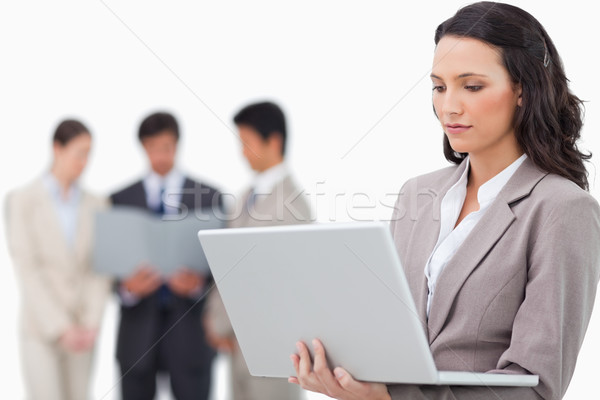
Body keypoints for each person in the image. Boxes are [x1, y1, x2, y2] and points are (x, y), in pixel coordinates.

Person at [289, 2, 600, 400]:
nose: (448, 106)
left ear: (523, 90)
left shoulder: (561, 209)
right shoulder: (415, 195)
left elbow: (535, 391)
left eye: (472, 86)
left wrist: (390, 398)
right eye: (439, 86)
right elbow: (395, 343)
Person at [110, 111, 222, 400]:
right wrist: (128, 289)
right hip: (137, 336)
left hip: (190, 335)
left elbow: (223, 269)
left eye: (167, 147)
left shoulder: (208, 196)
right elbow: (108, 265)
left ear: (177, 145)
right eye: (152, 148)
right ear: (143, 147)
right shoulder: (119, 200)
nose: (160, 155)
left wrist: (197, 284)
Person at [204, 101, 312, 400]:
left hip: (275, 347)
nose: (241, 151)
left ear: (273, 142)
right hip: (237, 345)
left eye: (246, 142)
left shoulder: (294, 206)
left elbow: (290, 284)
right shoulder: (243, 198)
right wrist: (218, 320)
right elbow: (225, 263)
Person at [5, 119, 111, 400]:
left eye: (89, 154)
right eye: (79, 153)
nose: (84, 162)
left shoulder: (97, 203)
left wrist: (91, 321)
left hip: (84, 329)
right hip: (41, 329)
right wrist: (60, 327)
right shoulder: (22, 200)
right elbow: (27, 268)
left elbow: (99, 268)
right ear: (57, 149)